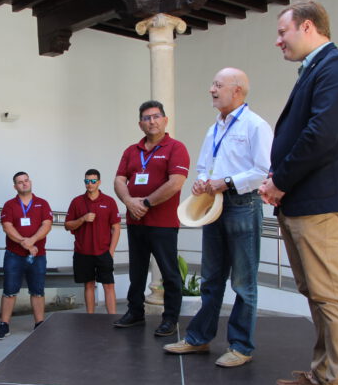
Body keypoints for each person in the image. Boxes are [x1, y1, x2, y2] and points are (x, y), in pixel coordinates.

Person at [259, 1, 338, 385]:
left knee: (333, 296)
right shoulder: (318, 70)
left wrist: (280, 182)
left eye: (282, 32)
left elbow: (322, 134)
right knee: (317, 293)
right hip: (301, 200)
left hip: (319, 200)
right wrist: (278, 181)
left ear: (307, 27)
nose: (277, 40)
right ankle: (322, 374)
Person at [163, 68, 273, 368]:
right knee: (211, 279)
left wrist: (225, 182)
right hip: (213, 204)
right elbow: (203, 166)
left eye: (218, 85)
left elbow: (263, 171)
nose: (211, 89)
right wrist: (201, 181)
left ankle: (241, 346)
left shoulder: (255, 125)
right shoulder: (214, 128)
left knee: (243, 282)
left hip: (242, 204)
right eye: (212, 83)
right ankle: (199, 339)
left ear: (237, 90)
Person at [113, 100, 190, 337]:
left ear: (165, 120)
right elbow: (119, 180)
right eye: (146, 118)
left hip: (163, 224)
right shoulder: (131, 151)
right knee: (136, 270)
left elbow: (176, 182)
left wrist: (145, 203)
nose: (152, 121)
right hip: (136, 222)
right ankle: (135, 311)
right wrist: (128, 202)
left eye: (156, 116)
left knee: (169, 272)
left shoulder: (176, 148)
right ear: (140, 124)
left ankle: (170, 319)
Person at [0, 172, 53, 340]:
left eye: (26, 180)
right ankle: (4, 325)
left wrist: (32, 241)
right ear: (15, 186)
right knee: (9, 291)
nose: (24, 184)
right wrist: (23, 242)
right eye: (20, 182)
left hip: (38, 255)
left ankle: (39, 323)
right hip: (14, 255)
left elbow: (47, 225)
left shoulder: (42, 203)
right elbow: (7, 226)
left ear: (30, 182)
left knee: (38, 291)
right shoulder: (9, 205)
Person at [64, 169, 121, 314]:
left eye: (93, 181)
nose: (90, 184)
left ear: (99, 182)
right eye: (87, 181)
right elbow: (67, 225)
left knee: (109, 286)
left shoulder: (109, 202)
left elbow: (116, 228)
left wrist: (111, 251)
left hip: (103, 252)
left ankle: (112, 318)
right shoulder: (77, 202)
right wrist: (83, 219)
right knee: (88, 285)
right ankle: (90, 318)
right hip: (83, 252)